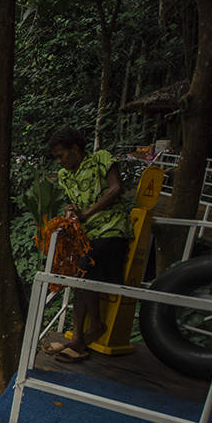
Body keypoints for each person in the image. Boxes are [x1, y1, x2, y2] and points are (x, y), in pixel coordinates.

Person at [44, 127, 132, 363]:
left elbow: (115, 189)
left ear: (75, 149)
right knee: (76, 275)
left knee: (82, 271)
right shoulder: (65, 177)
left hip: (112, 230)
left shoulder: (101, 160)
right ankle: (78, 338)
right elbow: (75, 204)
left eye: (62, 155)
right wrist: (72, 211)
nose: (60, 162)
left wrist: (87, 213)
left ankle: (95, 326)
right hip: (89, 234)